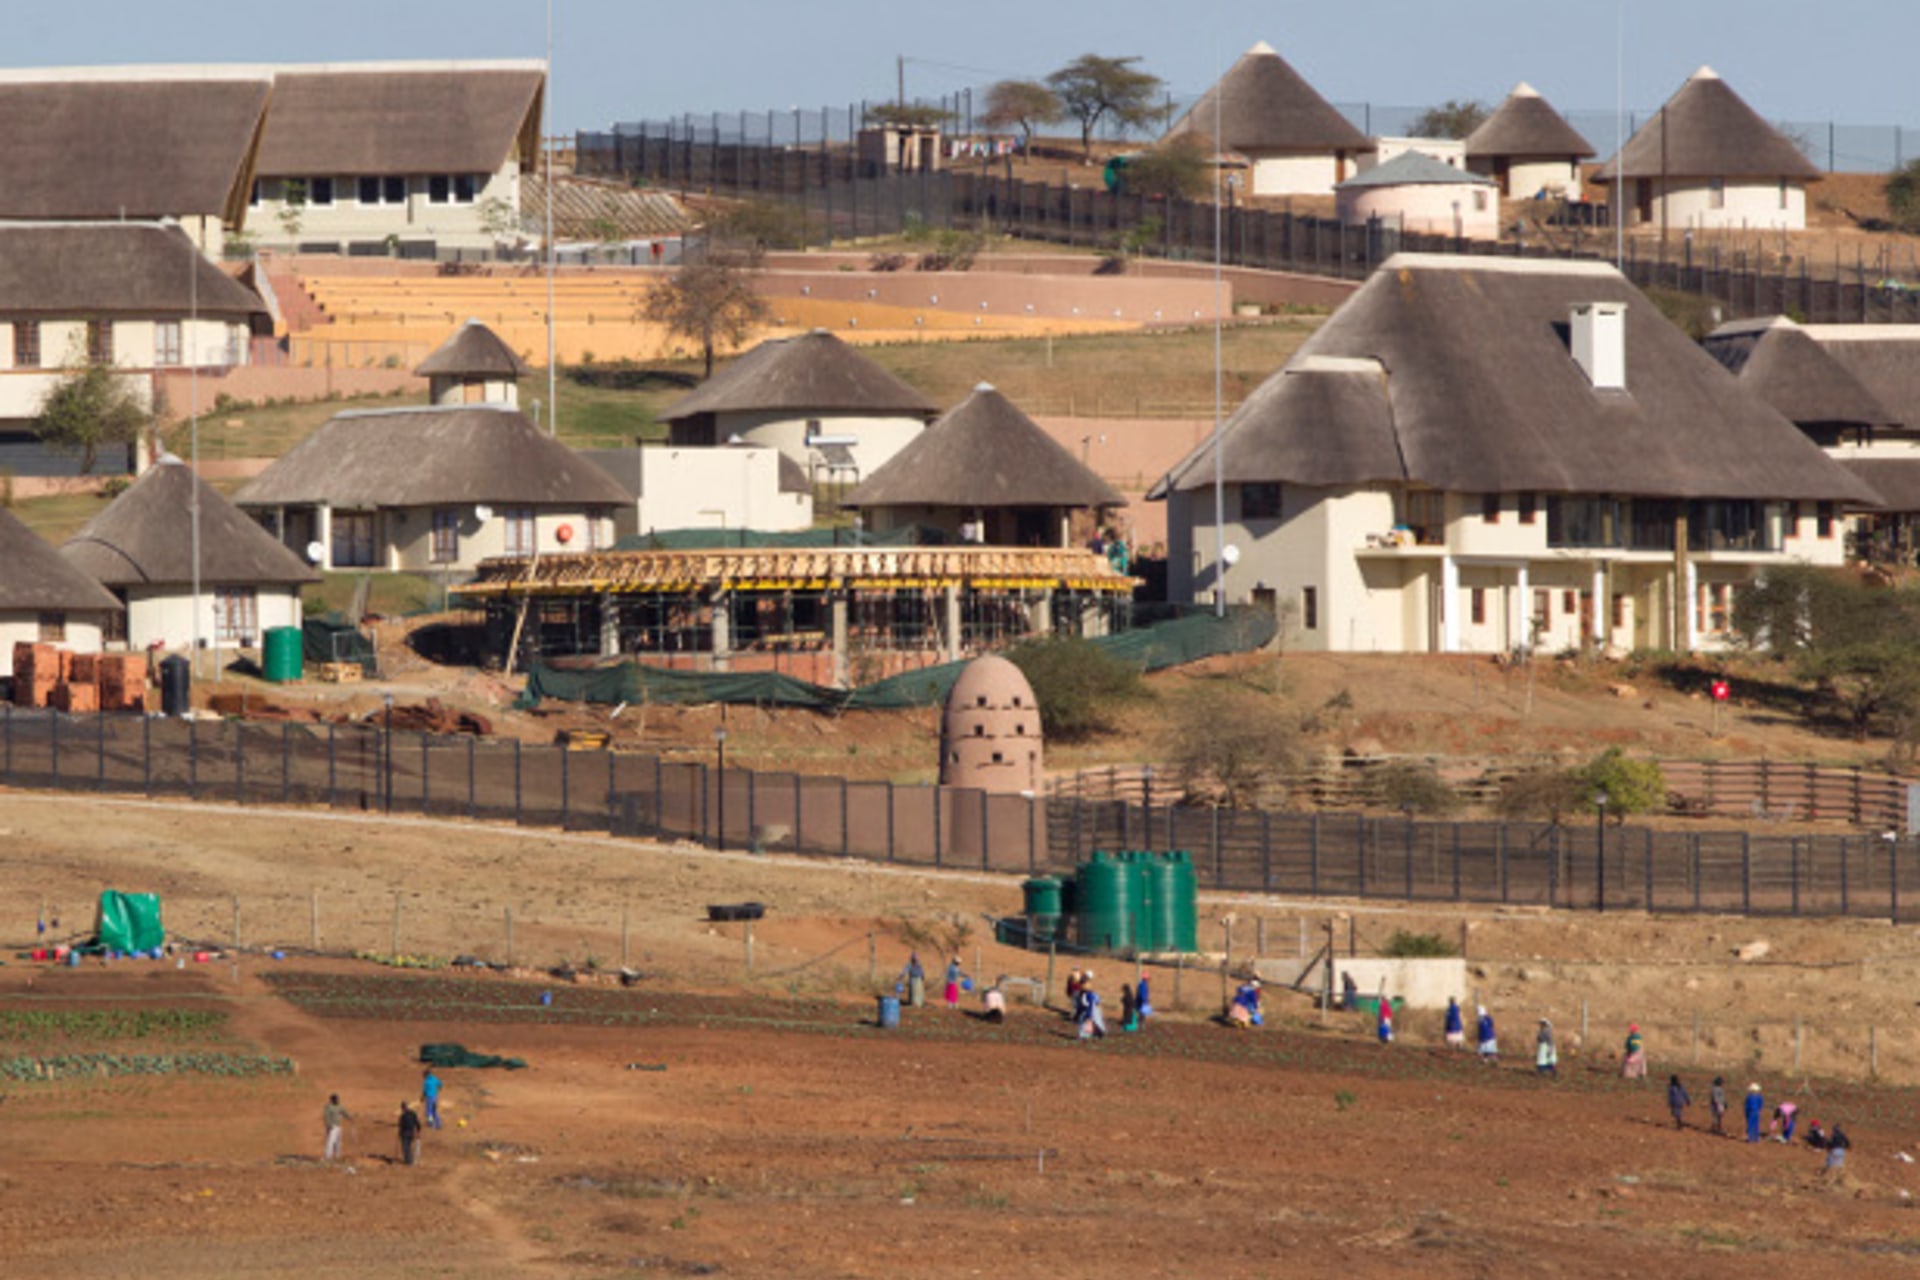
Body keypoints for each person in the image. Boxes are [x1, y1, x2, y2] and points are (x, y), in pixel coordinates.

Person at [1077, 972, 1106, 1041]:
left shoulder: (1088, 994)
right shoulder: (1089, 993)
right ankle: (1099, 1033)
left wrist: (1089, 1014)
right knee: (1096, 1021)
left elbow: (1091, 1004)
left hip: (1092, 1009)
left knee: (1085, 1021)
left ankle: (1084, 1035)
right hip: (1093, 1009)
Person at [322, 1093, 351, 1161]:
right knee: (330, 1141)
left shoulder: (340, 1106)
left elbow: (344, 1112)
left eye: (338, 1099)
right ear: (332, 1100)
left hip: (338, 1126)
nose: (338, 1100)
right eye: (336, 1099)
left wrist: (349, 1117)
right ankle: (328, 1156)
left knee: (338, 1142)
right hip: (332, 1127)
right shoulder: (328, 1107)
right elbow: (326, 1117)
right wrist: (329, 1124)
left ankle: (337, 1156)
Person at [398, 1101, 423, 1166]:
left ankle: (409, 1161)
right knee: (408, 1146)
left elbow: (401, 1126)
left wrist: (400, 1133)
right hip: (411, 1133)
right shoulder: (413, 1113)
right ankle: (409, 1159)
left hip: (405, 1133)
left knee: (406, 1147)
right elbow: (417, 1123)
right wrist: (418, 1131)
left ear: (402, 1108)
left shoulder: (403, 1116)